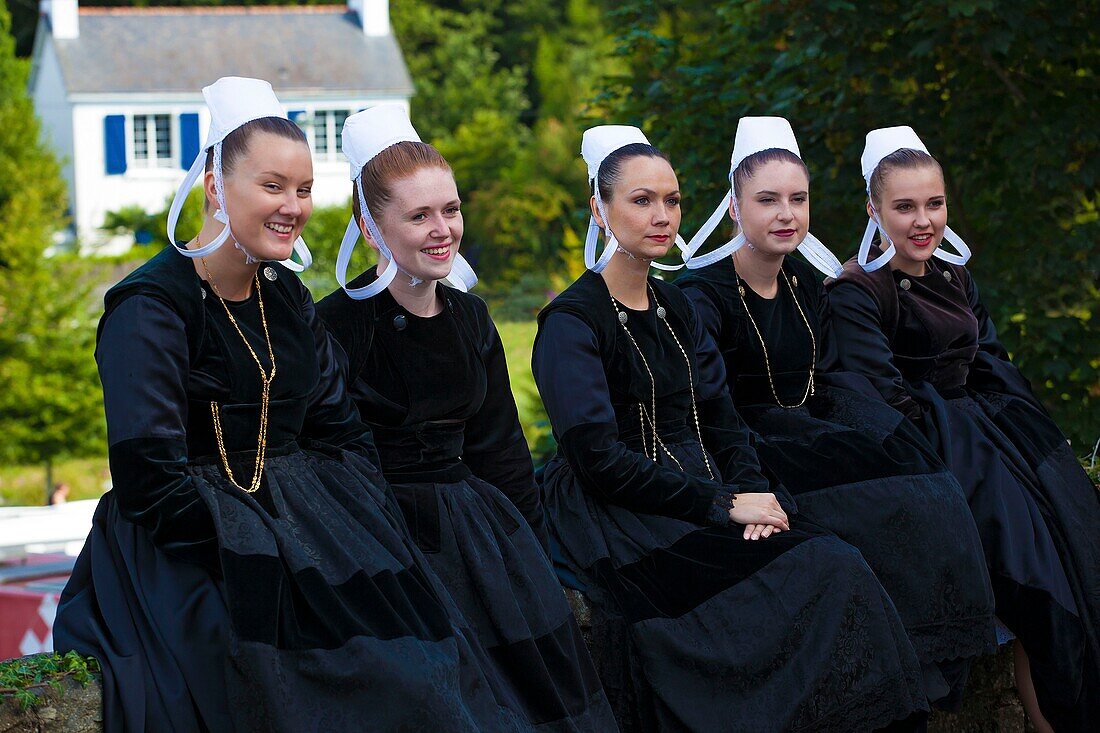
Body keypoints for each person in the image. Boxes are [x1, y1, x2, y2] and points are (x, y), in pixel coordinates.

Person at [54, 78, 521, 733]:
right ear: (216, 186)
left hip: (307, 534)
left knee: (420, 659)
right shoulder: (152, 308)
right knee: (310, 683)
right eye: (272, 185)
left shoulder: (287, 297)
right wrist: (266, 547)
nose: (293, 206)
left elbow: (344, 434)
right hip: (190, 552)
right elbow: (149, 481)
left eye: (303, 189)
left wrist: (340, 536)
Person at [532, 124, 929, 732]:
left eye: (672, 200)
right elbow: (598, 460)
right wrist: (723, 505)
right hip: (623, 513)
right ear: (600, 208)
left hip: (709, 488)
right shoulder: (571, 322)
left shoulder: (678, 306)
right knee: (815, 573)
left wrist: (751, 491)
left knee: (837, 561)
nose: (662, 215)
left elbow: (722, 419)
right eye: (641, 200)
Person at [676, 117, 995, 708]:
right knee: (871, 514)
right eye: (767, 200)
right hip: (744, 441)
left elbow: (825, 380)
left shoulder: (805, 280)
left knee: (927, 483)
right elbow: (709, 405)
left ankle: (935, 655)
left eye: (798, 199)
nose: (785, 214)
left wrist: (883, 431)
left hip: (809, 425)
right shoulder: (703, 295)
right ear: (734, 208)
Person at [316, 105, 615, 731]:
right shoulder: (333, 325)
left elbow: (500, 446)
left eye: (449, 210)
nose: (442, 229)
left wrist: (534, 558)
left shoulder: (470, 317)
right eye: (419, 215)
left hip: (476, 529)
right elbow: (327, 460)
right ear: (371, 227)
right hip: (381, 533)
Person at [827, 125, 1100, 731]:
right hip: (941, 455)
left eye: (934, 204)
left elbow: (992, 361)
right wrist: (969, 431)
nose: (924, 221)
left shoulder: (955, 277)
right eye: (904, 207)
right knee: (1039, 591)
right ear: (873, 209)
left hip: (993, 442)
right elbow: (882, 403)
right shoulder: (857, 293)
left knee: (1078, 560)